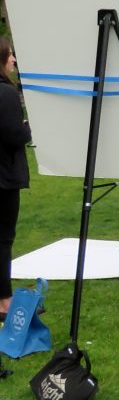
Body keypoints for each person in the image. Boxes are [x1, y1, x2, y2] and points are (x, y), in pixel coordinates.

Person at [0, 39, 32, 323]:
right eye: (10, 55)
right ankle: (4, 300)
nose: (13, 60)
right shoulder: (6, 93)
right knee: (3, 239)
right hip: (4, 179)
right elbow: (13, 136)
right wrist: (28, 127)